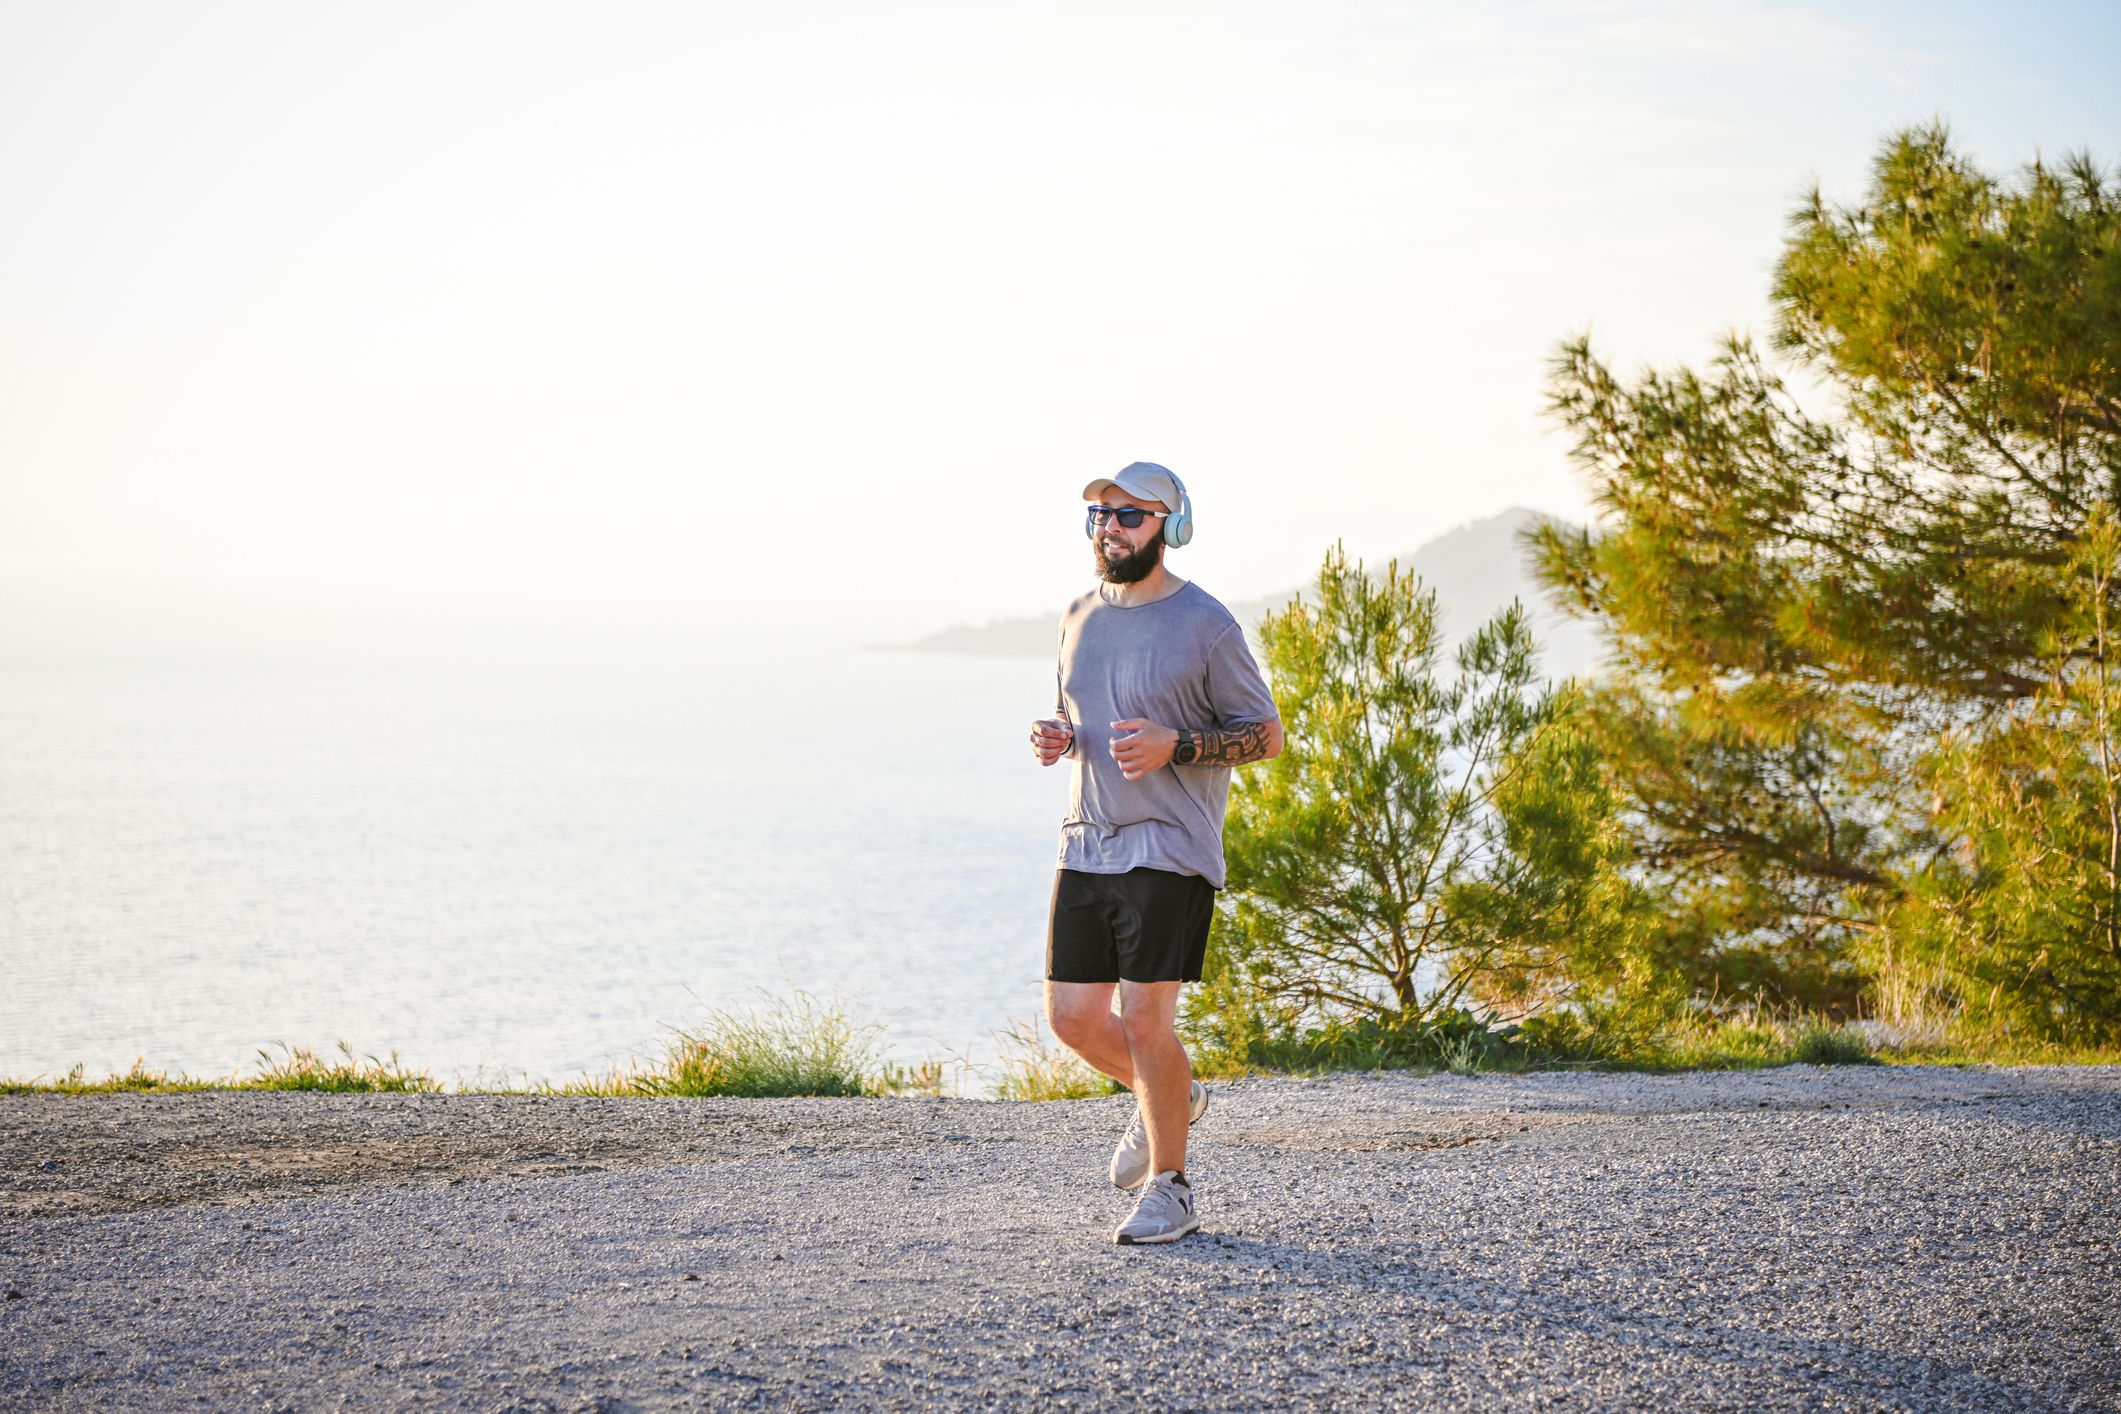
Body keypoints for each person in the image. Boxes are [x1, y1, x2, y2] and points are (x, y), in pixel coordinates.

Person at [1027, 460, 1284, 1244]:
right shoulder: (1077, 615)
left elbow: (1264, 735)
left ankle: (1171, 1184)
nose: (1110, 529)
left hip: (1170, 847)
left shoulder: (1206, 625)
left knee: (1144, 1020)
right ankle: (1171, 1096)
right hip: (1088, 840)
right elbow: (1089, 723)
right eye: (1099, 516)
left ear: (1171, 527)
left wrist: (1180, 745)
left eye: (1128, 516)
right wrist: (1062, 739)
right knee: (1072, 1020)